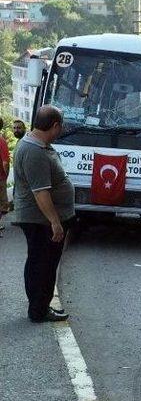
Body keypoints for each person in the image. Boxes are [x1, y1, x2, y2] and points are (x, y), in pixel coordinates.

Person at [12, 106, 75, 322]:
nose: (61, 130)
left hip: (42, 219)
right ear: (55, 125)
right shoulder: (33, 151)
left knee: (41, 262)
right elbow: (40, 193)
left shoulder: (38, 145)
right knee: (43, 265)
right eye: (61, 126)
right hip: (40, 220)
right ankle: (38, 310)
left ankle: (40, 306)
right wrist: (55, 222)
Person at [0, 119, 10, 236]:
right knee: (2, 203)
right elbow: (5, 162)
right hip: (0, 177)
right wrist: (6, 175)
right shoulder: (1, 141)